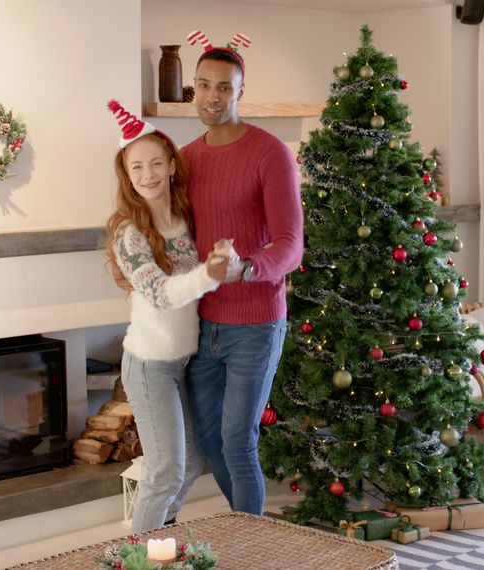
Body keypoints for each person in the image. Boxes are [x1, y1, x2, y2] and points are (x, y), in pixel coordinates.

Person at [181, 38, 305, 515]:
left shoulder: (269, 153)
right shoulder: (186, 158)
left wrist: (247, 268)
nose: (213, 96)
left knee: (238, 441)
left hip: (255, 322)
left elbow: (291, 245)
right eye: (204, 85)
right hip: (202, 323)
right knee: (212, 443)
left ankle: (255, 550)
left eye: (224, 88)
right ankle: (249, 537)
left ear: (240, 92)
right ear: (194, 88)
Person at [104, 100, 234, 532]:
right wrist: (209, 275)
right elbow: (161, 294)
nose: (148, 175)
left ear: (172, 166)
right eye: (137, 167)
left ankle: (162, 540)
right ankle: (136, 557)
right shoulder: (131, 232)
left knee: (193, 461)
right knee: (164, 473)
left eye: (156, 163)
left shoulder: (185, 217)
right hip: (148, 366)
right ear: (127, 174)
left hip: (185, 362)